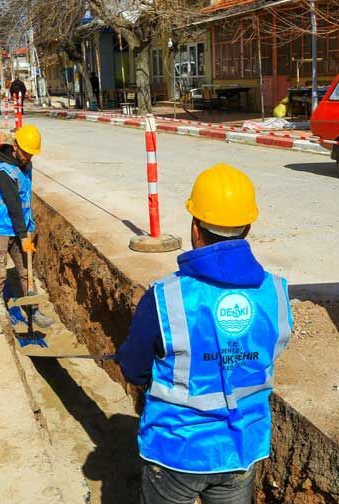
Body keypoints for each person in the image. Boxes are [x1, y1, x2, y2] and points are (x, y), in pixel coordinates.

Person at [117, 163, 293, 504]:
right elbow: (266, 355)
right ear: (248, 226)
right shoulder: (276, 292)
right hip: (242, 447)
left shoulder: (165, 298)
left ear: (196, 227)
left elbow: (134, 369)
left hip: (175, 451)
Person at [0, 124, 54, 328]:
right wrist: (23, 235)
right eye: (26, 153)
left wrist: (27, 227)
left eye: (32, 154)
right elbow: (13, 204)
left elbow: (24, 200)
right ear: (15, 146)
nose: (28, 158)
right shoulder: (3, 172)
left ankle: (34, 311)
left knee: (25, 271)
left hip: (19, 226)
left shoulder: (25, 165)